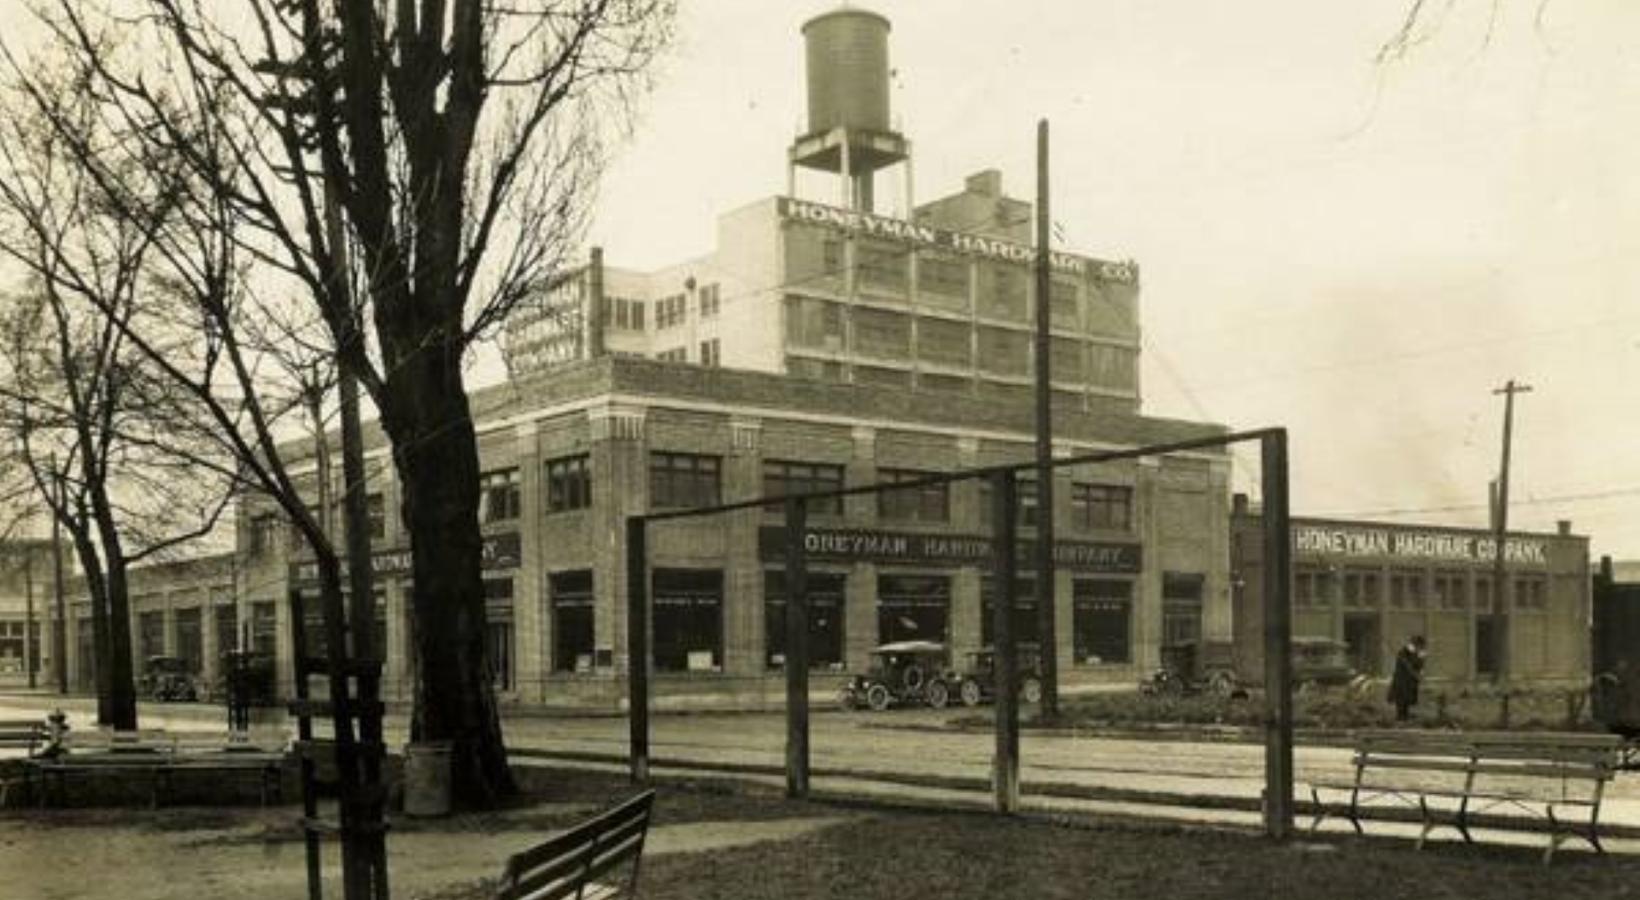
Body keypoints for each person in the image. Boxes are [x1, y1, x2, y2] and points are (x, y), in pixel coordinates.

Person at [1388, 635, 1427, 722]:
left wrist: (1421, 660)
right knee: (1401, 701)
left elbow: (1418, 667)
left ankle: (1404, 717)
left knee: (1406, 702)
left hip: (1410, 683)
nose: (1421, 648)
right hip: (1402, 682)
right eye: (1420, 646)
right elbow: (1409, 667)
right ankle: (1400, 718)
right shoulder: (1404, 652)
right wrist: (1419, 659)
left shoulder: (1416, 653)